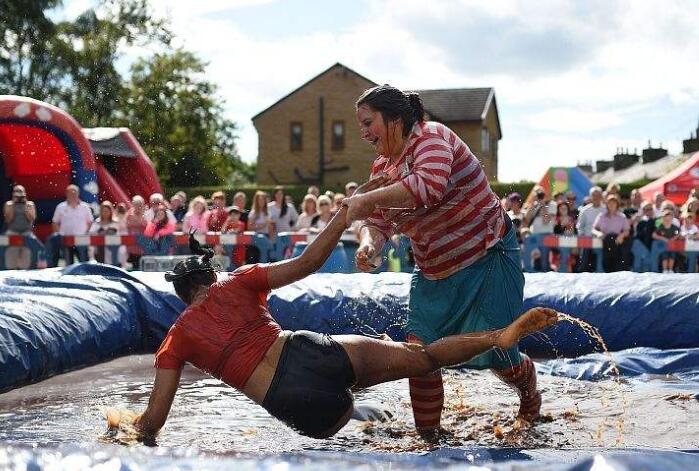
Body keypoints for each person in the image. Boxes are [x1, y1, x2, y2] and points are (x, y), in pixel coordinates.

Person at [107, 180, 559, 441]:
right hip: (309, 352)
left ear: (184, 296)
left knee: (359, 418)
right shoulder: (236, 281)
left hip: (298, 408)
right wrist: (344, 216)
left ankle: (363, 399)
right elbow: (308, 262)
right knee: (422, 357)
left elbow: (153, 422)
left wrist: (123, 428)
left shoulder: (176, 338)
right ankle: (496, 338)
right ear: (210, 278)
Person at [342, 85, 541, 437]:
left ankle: (529, 397)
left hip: (488, 257)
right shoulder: (382, 168)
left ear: (394, 119)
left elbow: (427, 186)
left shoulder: (432, 138)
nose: (364, 132)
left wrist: (368, 199)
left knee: (501, 355)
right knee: (418, 356)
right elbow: (377, 222)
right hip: (433, 270)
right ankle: (429, 437)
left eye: (368, 122)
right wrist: (369, 245)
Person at [51, 184, 94, 266]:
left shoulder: (85, 206)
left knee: (84, 263)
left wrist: (85, 233)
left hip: (81, 239)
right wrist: (60, 235)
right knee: (68, 264)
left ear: (78, 193)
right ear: (67, 194)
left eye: (75, 193)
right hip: (66, 239)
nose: (73, 195)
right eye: (71, 193)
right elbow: (55, 222)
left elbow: (90, 221)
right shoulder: (60, 207)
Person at [592, 194, 631, 272]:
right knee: (609, 240)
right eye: (609, 203)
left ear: (617, 204)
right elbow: (593, 229)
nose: (611, 205)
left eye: (613, 203)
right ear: (607, 204)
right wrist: (598, 233)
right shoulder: (602, 216)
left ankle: (612, 268)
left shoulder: (622, 216)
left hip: (617, 239)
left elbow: (627, 230)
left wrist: (622, 235)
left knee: (616, 242)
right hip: (605, 239)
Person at [3, 185, 36, 269]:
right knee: (5, 244)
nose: (19, 194)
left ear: (25, 193)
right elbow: (8, 220)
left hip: (26, 232)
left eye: (20, 192)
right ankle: (9, 268)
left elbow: (32, 219)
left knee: (28, 250)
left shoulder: (30, 204)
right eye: (16, 191)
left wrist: (25, 206)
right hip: (12, 231)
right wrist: (13, 204)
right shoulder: (8, 204)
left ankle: (26, 267)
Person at [576, 186, 605, 272]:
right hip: (587, 238)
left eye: (598, 195)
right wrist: (582, 236)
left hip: (601, 239)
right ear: (590, 197)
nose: (596, 197)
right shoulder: (585, 210)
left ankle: (600, 271)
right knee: (585, 248)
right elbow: (580, 227)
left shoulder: (605, 210)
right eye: (594, 195)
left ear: (601, 197)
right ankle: (582, 271)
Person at [653, 209, 680, 273]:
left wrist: (673, 239)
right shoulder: (661, 227)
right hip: (663, 244)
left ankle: (670, 269)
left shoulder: (674, 227)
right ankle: (665, 270)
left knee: (672, 255)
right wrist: (663, 238)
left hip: (672, 245)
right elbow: (654, 235)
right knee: (664, 254)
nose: (667, 219)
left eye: (669, 217)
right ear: (663, 218)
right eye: (666, 217)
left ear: (672, 218)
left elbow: (677, 234)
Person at [125, 195, 148, 270]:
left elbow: (148, 226)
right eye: (136, 204)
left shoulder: (146, 214)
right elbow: (127, 224)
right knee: (132, 268)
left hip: (144, 247)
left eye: (140, 205)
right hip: (131, 247)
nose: (138, 207)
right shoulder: (129, 214)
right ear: (133, 205)